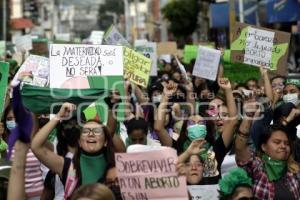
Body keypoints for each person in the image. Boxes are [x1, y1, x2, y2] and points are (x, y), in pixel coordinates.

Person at [155, 78, 237, 184]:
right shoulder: (177, 147)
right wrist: (165, 96)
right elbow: (158, 128)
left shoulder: (215, 149)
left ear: (207, 130)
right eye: (192, 123)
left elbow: (233, 121)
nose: (197, 125)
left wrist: (228, 90)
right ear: (185, 131)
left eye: (201, 123)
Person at [31, 102, 115, 199]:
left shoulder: (114, 167)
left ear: (105, 141)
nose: (91, 134)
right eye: (86, 131)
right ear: (79, 142)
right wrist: (59, 116)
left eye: (97, 131)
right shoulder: (67, 166)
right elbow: (36, 146)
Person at [235, 113, 300, 199]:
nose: (283, 146)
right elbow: (240, 148)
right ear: (264, 147)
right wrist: (248, 115)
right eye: (277, 142)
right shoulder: (257, 167)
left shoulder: (294, 171)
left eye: (287, 143)